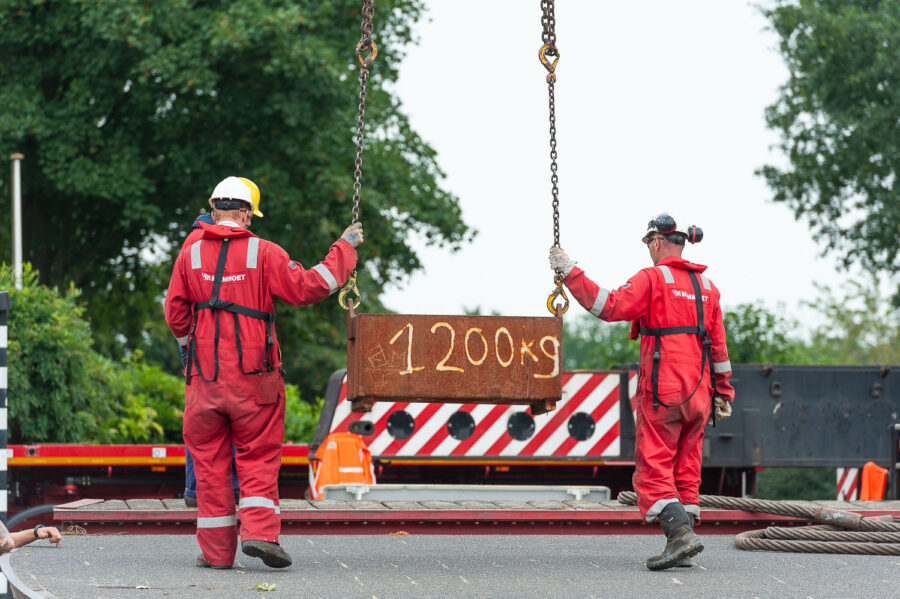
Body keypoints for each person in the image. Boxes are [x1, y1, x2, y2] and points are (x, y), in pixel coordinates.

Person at [165, 176, 363, 569]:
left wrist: (195, 346)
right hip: (255, 378)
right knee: (257, 458)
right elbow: (309, 286)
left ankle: (217, 554)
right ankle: (258, 535)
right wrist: (344, 248)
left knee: (209, 467)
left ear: (214, 206)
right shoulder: (264, 252)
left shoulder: (189, 255)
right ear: (246, 213)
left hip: (204, 382)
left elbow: (175, 315)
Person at [548, 213, 734, 571]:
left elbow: (609, 305)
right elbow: (720, 350)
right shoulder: (707, 288)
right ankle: (681, 539)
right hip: (700, 393)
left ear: (658, 241)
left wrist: (570, 272)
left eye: (649, 243)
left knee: (653, 467)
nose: (649, 250)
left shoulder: (653, 279)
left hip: (664, 390)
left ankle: (680, 535)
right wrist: (724, 393)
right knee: (686, 468)